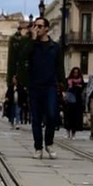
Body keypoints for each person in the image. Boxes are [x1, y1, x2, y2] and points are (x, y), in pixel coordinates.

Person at [26, 16, 63, 158]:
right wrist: (32, 40)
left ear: (47, 28)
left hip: (50, 86)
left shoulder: (55, 47)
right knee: (36, 118)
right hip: (35, 86)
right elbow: (24, 57)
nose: (37, 29)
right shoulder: (32, 45)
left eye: (40, 26)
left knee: (52, 115)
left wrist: (62, 86)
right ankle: (38, 148)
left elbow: (59, 67)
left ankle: (49, 143)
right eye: (35, 26)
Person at [62, 65, 85, 137]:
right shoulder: (68, 80)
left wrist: (77, 86)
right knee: (67, 117)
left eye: (77, 72)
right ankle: (67, 132)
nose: (75, 74)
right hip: (69, 101)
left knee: (75, 118)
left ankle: (73, 133)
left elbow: (81, 89)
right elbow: (65, 89)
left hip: (77, 102)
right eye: (74, 72)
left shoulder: (81, 81)